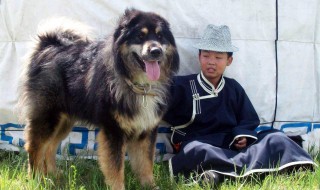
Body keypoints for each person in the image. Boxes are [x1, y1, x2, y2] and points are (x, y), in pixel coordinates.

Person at [163, 25, 316, 184]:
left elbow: (248, 119)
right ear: (199, 57)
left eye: (218, 57)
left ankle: (220, 174)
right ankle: (251, 170)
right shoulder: (182, 85)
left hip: (231, 143)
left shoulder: (233, 87)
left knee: (275, 137)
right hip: (202, 143)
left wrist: (242, 135)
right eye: (206, 56)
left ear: (229, 60)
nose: (211, 62)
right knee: (195, 150)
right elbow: (157, 104)